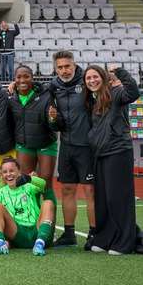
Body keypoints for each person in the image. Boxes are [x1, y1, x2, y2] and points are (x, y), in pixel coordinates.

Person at [83, 64, 140, 255]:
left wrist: (121, 72)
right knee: (104, 199)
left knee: (119, 199)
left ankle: (123, 242)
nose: (92, 81)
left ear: (104, 77)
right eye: (88, 78)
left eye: (95, 77)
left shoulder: (116, 92)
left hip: (118, 151)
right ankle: (105, 238)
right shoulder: (95, 99)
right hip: (101, 153)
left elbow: (133, 93)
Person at [48, 50, 96, 249]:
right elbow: (55, 123)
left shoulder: (87, 81)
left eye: (67, 66)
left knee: (90, 191)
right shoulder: (54, 86)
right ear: (55, 68)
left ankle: (94, 234)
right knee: (67, 189)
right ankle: (69, 234)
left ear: (74, 64)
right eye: (60, 67)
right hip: (66, 146)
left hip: (87, 146)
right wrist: (53, 119)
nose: (64, 70)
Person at [0, 158, 55, 257]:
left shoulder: (29, 186)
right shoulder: (0, 192)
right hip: (17, 233)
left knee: (48, 203)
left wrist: (30, 178)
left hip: (36, 230)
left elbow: (44, 184)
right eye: (5, 172)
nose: (8, 174)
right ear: (1, 175)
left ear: (19, 172)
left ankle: (40, 243)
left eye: (12, 171)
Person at [9, 65, 57, 183]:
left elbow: (54, 124)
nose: (22, 80)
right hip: (24, 145)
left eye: (26, 76)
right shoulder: (11, 98)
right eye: (19, 77)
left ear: (32, 78)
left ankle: (48, 202)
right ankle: (32, 202)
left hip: (46, 144)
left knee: (45, 183)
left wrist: (53, 119)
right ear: (14, 79)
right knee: (26, 183)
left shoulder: (45, 94)